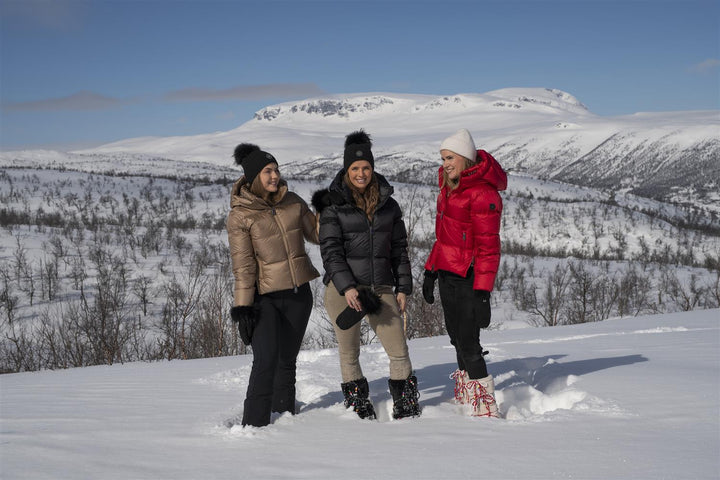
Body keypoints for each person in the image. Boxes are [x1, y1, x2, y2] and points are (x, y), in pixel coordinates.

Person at [313, 130, 420, 420]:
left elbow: (399, 249)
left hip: (381, 288)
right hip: (342, 290)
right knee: (349, 353)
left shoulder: (389, 205)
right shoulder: (333, 205)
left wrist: (403, 288)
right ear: (346, 170)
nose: (361, 173)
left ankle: (406, 405)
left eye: (366, 167)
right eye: (355, 168)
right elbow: (331, 252)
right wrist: (347, 288)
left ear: (373, 168)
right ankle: (358, 407)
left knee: (398, 349)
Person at [227, 143, 320, 427]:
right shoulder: (240, 215)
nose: (274, 176)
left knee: (287, 361)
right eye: (267, 171)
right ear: (254, 176)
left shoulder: (292, 201)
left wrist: (329, 209)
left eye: (276, 169)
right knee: (265, 360)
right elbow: (243, 267)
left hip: (298, 294)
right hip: (263, 298)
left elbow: (316, 233)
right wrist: (243, 309)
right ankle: (253, 425)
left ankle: (285, 419)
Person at [422, 128, 507, 418]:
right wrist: (430, 272)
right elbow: (443, 239)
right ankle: (468, 392)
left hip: (469, 279)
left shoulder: (483, 194)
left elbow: (488, 249)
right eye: (443, 158)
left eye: (450, 158)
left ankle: (485, 406)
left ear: (466, 159)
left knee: (470, 343)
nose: (445, 163)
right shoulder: (449, 188)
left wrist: (483, 292)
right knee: (456, 338)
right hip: (448, 275)